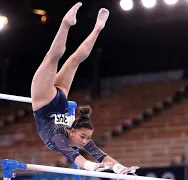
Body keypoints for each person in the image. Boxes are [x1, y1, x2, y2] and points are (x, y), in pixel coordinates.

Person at [30, 2, 139, 175]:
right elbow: (100, 156)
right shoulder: (77, 136)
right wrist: (116, 168)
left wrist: (105, 168)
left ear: (71, 132)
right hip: (59, 98)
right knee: (72, 60)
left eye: (86, 138)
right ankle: (96, 28)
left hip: (43, 101)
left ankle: (72, 25)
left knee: (52, 58)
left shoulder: (59, 138)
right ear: (74, 131)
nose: (86, 141)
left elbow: (75, 157)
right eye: (84, 137)